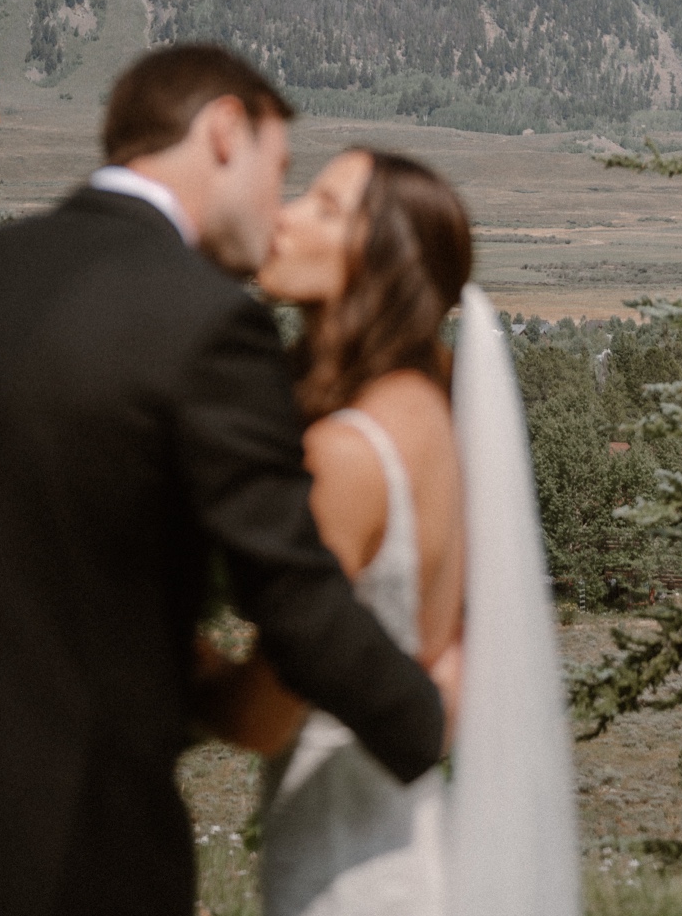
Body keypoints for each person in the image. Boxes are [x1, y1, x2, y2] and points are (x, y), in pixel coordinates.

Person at [0, 45, 453, 916]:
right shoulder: (206, 321)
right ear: (224, 131)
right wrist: (430, 722)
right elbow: (292, 594)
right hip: (82, 857)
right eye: (280, 168)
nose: (277, 211)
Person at [197, 145, 579, 916]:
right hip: (407, 843)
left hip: (346, 873)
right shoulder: (436, 419)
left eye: (325, 207)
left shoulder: (346, 456)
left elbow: (262, 717)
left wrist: (166, 649)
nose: (285, 214)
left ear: (381, 266)